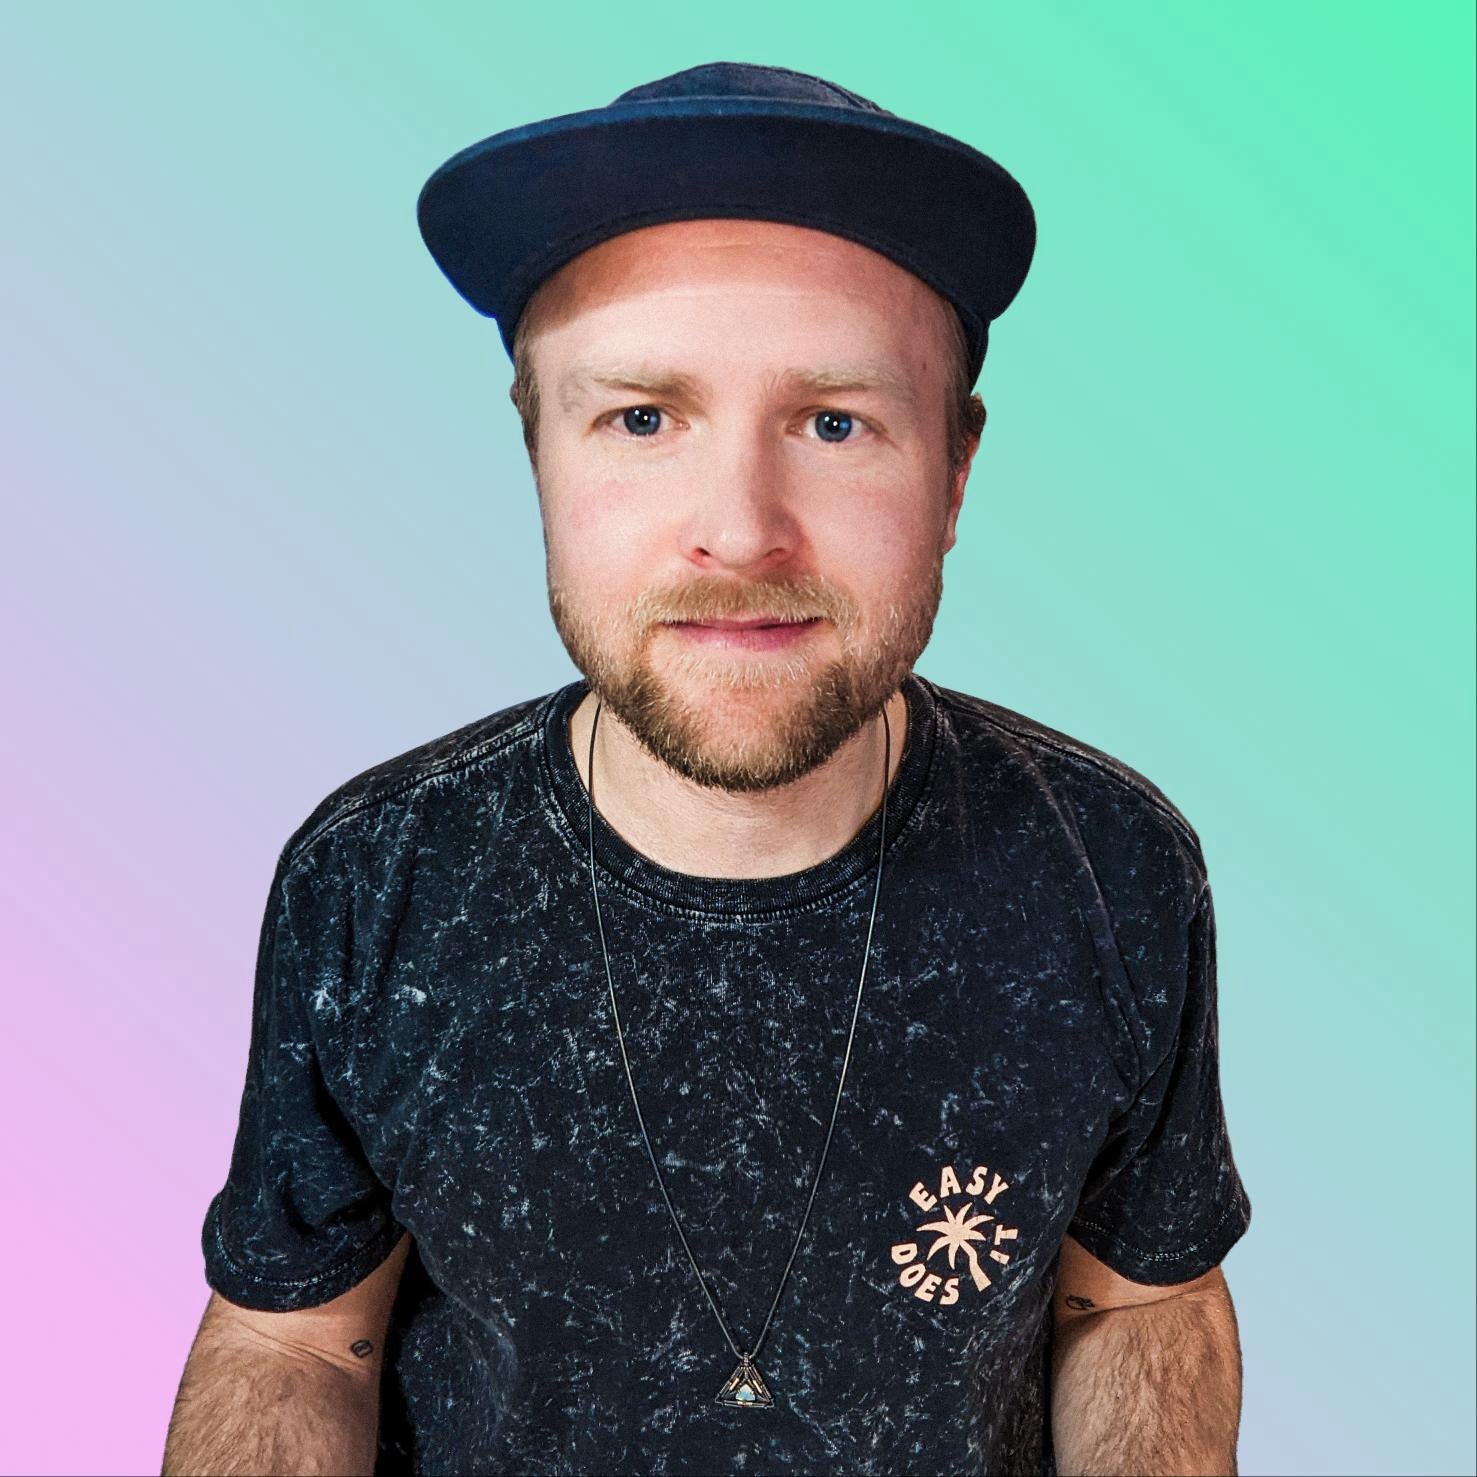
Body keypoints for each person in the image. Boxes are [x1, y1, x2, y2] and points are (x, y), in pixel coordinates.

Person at [163, 61, 1252, 1477]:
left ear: (956, 472)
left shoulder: (1110, 864)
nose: (739, 532)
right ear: (537, 451)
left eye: (834, 422)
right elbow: (298, 1337)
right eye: (640, 417)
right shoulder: (375, 879)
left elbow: (1136, 1300)